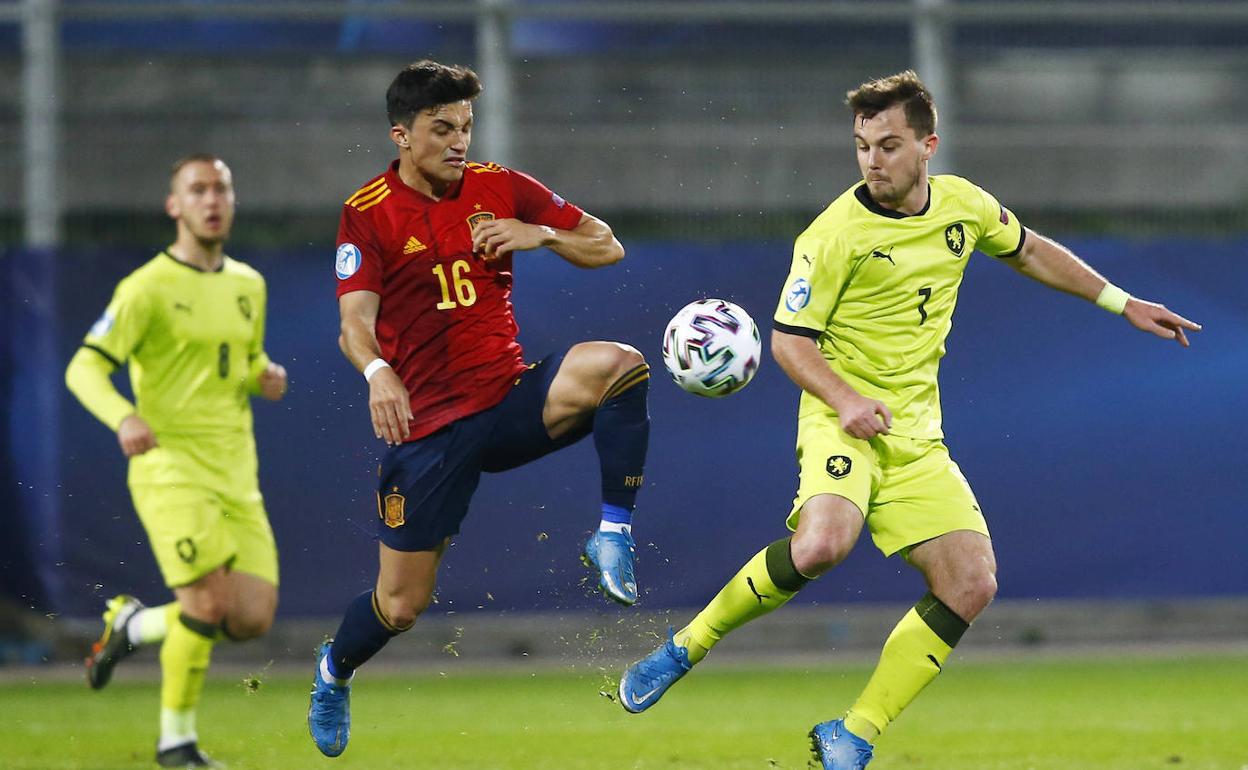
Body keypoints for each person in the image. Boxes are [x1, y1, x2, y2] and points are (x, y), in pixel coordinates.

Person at [616, 70, 1201, 769]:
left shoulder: (963, 207)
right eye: (862, 145)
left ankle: (854, 732)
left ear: (929, 145)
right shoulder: (832, 235)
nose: (872, 160)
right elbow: (788, 343)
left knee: (971, 583)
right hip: (842, 418)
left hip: (915, 432)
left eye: (888, 145)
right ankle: (686, 648)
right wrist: (847, 402)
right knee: (822, 544)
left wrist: (1120, 301)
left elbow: (1031, 249)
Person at [307, 60, 649, 757]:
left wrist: (541, 235)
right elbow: (354, 324)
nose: (458, 141)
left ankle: (612, 531)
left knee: (621, 366)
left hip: (507, 397)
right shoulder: (367, 212)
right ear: (402, 135)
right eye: (441, 129)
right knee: (400, 607)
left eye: (465, 126)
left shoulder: (500, 187)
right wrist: (377, 372)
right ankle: (333, 669)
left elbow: (606, 244)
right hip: (429, 429)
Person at [65, 154, 288, 769]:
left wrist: (259, 375)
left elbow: (238, 362)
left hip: (236, 472)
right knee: (205, 606)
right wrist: (123, 416)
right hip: (170, 466)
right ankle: (176, 743)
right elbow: (83, 366)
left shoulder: (249, 285)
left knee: (250, 617)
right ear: (175, 206)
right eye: (197, 190)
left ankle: (132, 628)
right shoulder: (146, 288)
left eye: (221, 188)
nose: (211, 200)